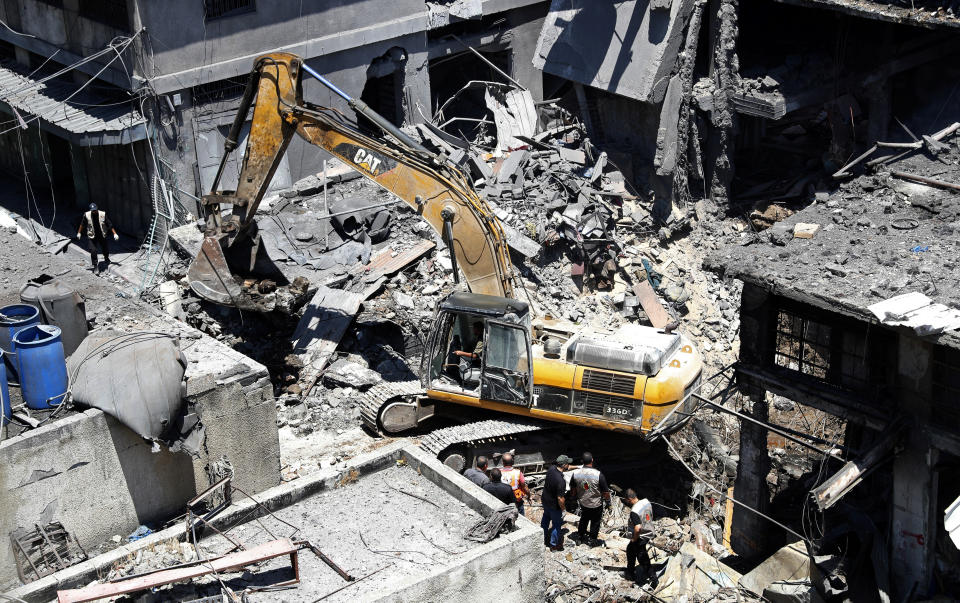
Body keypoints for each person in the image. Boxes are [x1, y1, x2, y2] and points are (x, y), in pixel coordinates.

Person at [569, 452, 610, 546]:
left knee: (584, 519)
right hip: (596, 504)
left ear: (582, 461)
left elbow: (573, 489)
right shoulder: (598, 474)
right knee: (595, 522)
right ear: (592, 460)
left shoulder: (575, 473)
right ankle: (592, 540)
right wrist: (608, 502)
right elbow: (605, 492)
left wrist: (573, 500)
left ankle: (580, 537)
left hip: (583, 502)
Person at [76, 203, 118, 273]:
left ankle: (106, 258)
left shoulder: (103, 214)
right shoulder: (87, 215)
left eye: (95, 210)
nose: (94, 212)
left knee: (105, 247)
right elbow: (82, 224)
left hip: (101, 235)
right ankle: (95, 266)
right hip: (92, 235)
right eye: (93, 211)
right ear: (91, 210)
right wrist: (79, 233)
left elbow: (109, 224)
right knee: (93, 250)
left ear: (97, 209)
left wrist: (115, 234)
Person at [623, 489, 654, 584]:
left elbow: (637, 528)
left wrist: (634, 539)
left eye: (627, 501)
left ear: (629, 499)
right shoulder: (646, 502)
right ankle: (630, 573)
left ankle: (653, 579)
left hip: (641, 536)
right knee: (630, 550)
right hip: (649, 531)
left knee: (643, 559)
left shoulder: (634, 511)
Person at [541, 454, 571, 550]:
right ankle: (553, 545)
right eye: (568, 464)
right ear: (564, 465)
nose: (569, 465)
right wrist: (563, 510)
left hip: (545, 501)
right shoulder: (561, 481)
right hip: (555, 506)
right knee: (556, 525)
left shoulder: (551, 469)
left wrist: (579, 467)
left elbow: (568, 467)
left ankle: (542, 538)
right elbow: (560, 499)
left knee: (545, 520)